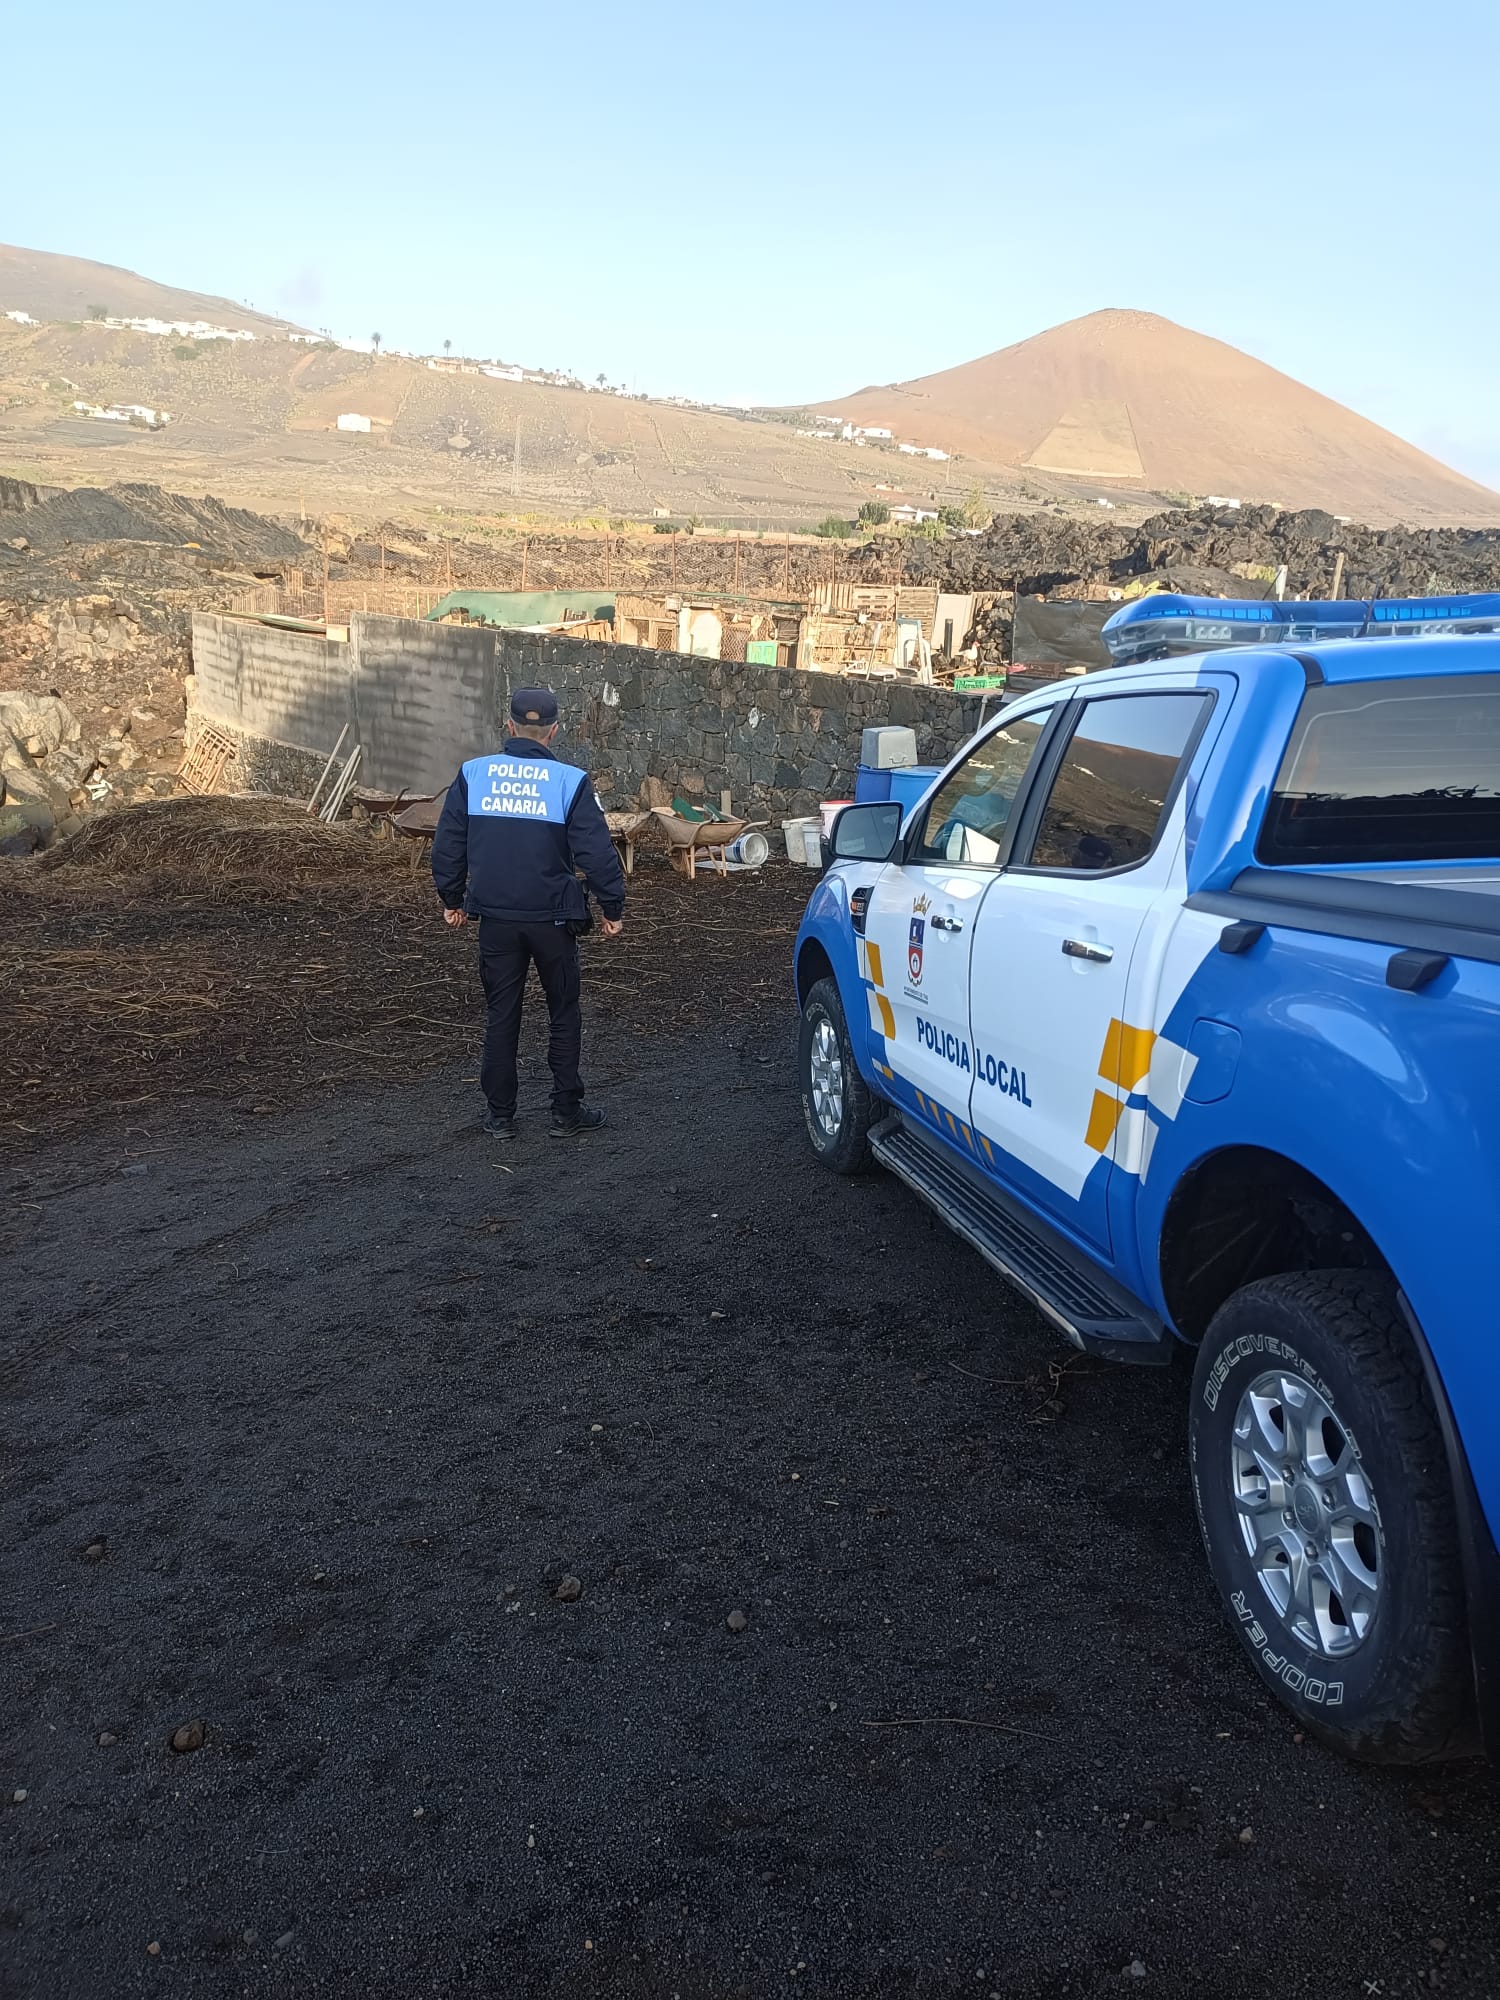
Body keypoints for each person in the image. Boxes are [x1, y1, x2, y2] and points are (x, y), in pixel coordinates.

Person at [431, 686, 626, 1140]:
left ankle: (500, 1116)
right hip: (553, 920)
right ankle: (565, 1111)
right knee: (563, 1010)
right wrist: (611, 906)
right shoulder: (569, 781)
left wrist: (452, 898)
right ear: (554, 731)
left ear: (509, 725)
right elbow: (595, 852)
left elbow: (449, 843)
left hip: (496, 919)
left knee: (502, 1012)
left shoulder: (472, 774)